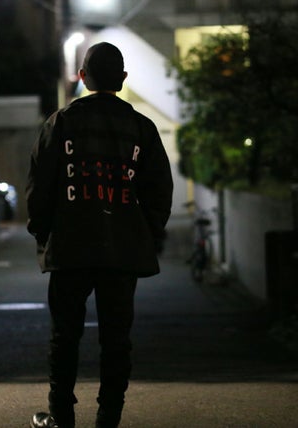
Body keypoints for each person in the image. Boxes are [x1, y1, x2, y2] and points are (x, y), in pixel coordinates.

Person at [26, 42, 173, 428]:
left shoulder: (60, 123)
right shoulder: (141, 128)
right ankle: (108, 417)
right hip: (121, 250)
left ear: (82, 77)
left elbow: (40, 187)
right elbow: (160, 191)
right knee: (116, 338)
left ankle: (62, 415)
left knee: (65, 336)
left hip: (70, 246)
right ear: (122, 79)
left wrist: (44, 233)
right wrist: (145, 233)